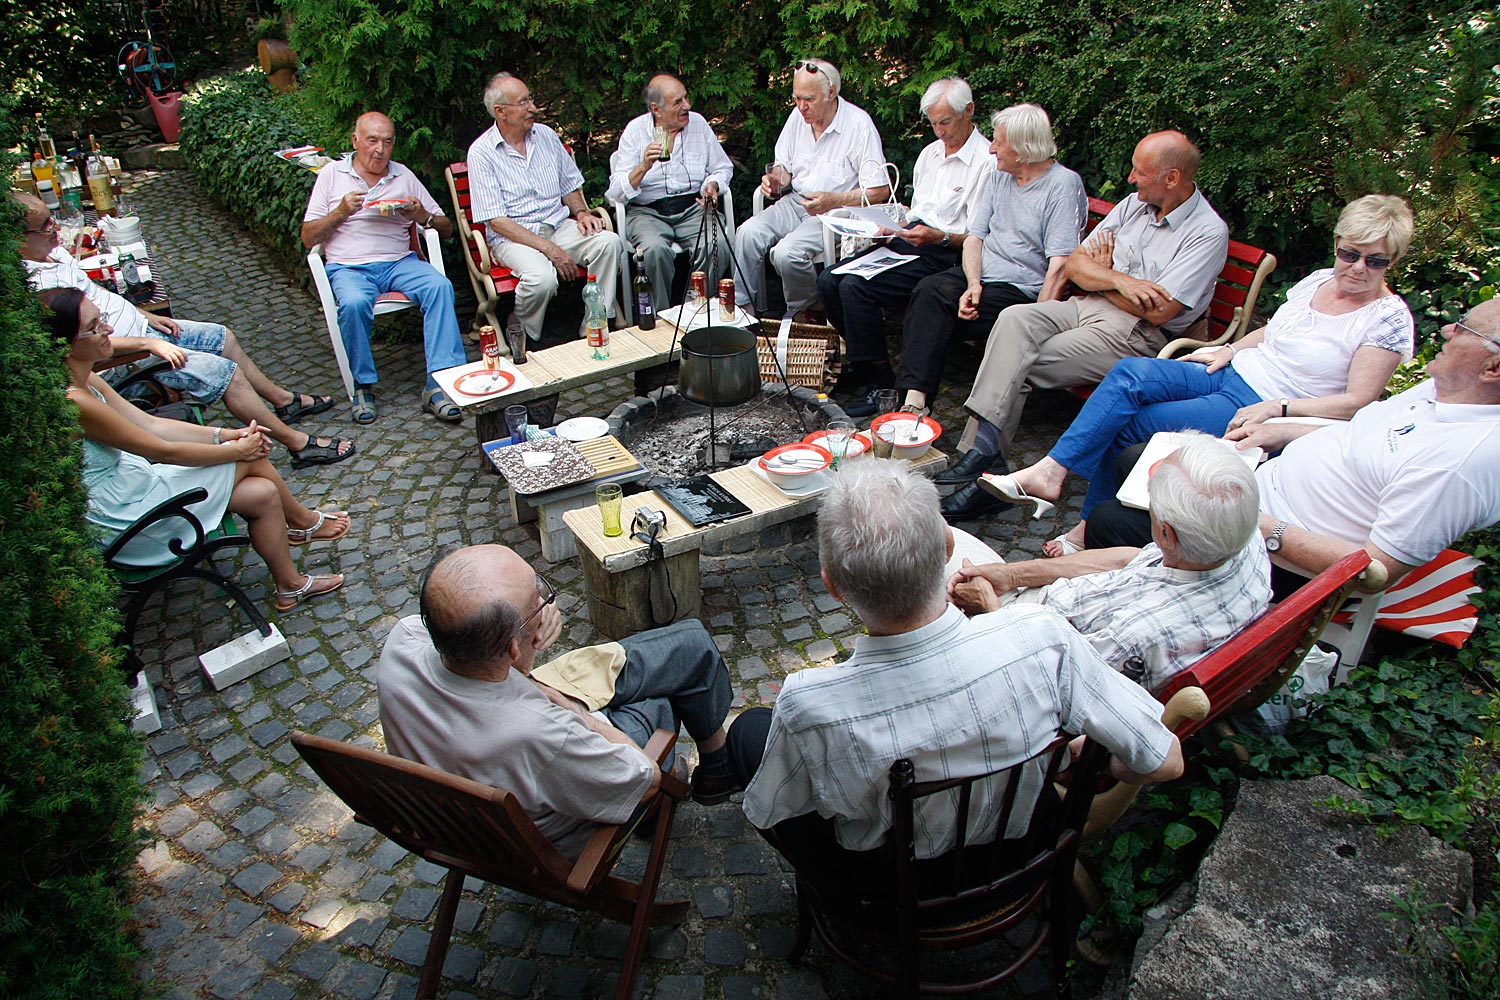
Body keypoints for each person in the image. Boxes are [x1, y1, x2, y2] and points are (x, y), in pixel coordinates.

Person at [724, 460, 1183, 872]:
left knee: (749, 732)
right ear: (948, 547)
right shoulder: (1046, 640)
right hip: (1024, 854)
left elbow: (768, 808)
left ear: (833, 586)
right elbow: (1167, 761)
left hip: (889, 886)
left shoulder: (809, 702)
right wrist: (1097, 755)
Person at [998, 195, 1414, 552]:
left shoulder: (1386, 319)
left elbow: (1357, 402)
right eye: (1349, 254)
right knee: (1130, 375)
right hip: (1229, 369)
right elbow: (1276, 330)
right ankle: (1051, 471)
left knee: (1139, 423)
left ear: (1392, 262)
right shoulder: (1319, 280)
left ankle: (1088, 529)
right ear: (1337, 244)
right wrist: (1230, 348)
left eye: (1375, 260)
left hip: (1259, 405)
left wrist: (1280, 407)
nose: (1358, 267)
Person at [1084, 299, 1500, 597]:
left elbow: (1374, 571)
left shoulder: (1461, 461)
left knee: (1110, 520)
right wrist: (1281, 432)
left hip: (1272, 558)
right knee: (1137, 459)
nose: (1448, 330)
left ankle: (1129, 597)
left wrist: (1262, 527)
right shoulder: (1438, 392)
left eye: (1464, 328)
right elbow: (1353, 437)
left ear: (1492, 368)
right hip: (1257, 489)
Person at [376, 544, 738, 857]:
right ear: (512, 646)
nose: (545, 603)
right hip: (571, 816)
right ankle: (699, 783)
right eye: (537, 601)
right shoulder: (542, 732)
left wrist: (531, 623)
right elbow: (645, 780)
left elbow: (482, 635)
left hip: (483, 794)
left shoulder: (403, 641)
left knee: (689, 644)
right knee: (663, 694)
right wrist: (575, 711)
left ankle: (718, 765)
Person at [940, 130, 1229, 520]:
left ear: (1171, 177)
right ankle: (985, 453)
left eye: (1139, 171)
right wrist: (1120, 281)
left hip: (1135, 334)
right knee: (1013, 319)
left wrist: (1101, 276)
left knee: (1015, 361)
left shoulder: (1207, 232)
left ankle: (985, 465)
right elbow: (1075, 264)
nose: (1130, 178)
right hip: (1084, 306)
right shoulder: (1133, 206)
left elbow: (1160, 311)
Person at [42, 288, 347, 609]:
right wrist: (238, 451)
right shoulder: (74, 400)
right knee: (249, 460)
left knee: (262, 493)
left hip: (135, 488)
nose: (108, 329)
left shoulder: (87, 378)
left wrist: (226, 435)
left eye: (102, 318)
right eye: (94, 327)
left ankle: (290, 586)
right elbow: (162, 450)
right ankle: (302, 521)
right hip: (124, 518)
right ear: (65, 345)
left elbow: (152, 425)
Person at [18, 192, 355, 470]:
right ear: (21, 238)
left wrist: (144, 315)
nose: (55, 227)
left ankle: (283, 401)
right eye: (45, 225)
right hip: (127, 352)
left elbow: (100, 299)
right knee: (226, 373)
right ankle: (297, 444)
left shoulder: (56, 254)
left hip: (142, 329)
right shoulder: (35, 286)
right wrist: (147, 342)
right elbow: (82, 340)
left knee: (222, 336)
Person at [947, 435, 1271, 692]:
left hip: (1023, 641)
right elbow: (1132, 559)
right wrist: (1012, 574)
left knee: (939, 557)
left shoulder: (1135, 638)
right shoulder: (1243, 539)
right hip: (1051, 609)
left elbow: (1046, 682)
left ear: (1167, 534)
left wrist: (990, 609)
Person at [875, 102, 1090, 420]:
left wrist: (1036, 320)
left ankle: (917, 408)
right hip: (982, 280)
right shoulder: (999, 177)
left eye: (999, 142)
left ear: (1023, 149)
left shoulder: (1063, 185)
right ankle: (915, 402)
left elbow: (1059, 265)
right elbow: (974, 238)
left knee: (934, 311)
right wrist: (973, 284)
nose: (991, 149)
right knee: (929, 290)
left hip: (1020, 290)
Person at [816, 77, 994, 415]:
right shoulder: (929, 154)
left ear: (969, 111)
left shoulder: (985, 161)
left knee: (855, 287)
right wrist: (890, 226)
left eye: (946, 122)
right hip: (911, 239)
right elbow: (917, 211)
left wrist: (935, 236)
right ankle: (863, 364)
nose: (940, 131)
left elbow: (976, 234)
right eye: (933, 123)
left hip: (946, 252)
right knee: (829, 279)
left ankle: (881, 381)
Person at [301, 111, 467, 426]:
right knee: (353, 303)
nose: (380, 150)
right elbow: (308, 237)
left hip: (399, 262)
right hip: (349, 268)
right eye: (372, 141)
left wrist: (421, 215)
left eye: (387, 142)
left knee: (439, 287)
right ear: (355, 141)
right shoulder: (332, 175)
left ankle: (439, 383)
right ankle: (363, 386)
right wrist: (341, 211)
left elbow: (445, 227)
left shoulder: (402, 176)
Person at [467, 72, 624, 343]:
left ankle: (595, 323)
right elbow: (497, 221)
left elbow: (570, 186)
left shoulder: (547, 136)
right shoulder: (481, 153)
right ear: (500, 111)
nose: (533, 108)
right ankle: (522, 330)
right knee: (541, 279)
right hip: (514, 238)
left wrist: (582, 213)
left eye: (530, 99)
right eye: (523, 102)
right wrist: (550, 250)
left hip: (558, 225)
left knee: (608, 243)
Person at [732, 58, 890, 320]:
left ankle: (807, 311)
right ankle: (743, 310)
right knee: (747, 233)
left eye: (809, 99)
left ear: (831, 92)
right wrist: (775, 179)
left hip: (836, 212)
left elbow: (879, 191)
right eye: (796, 98)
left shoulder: (858, 125)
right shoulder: (798, 117)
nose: (801, 107)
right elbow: (784, 167)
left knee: (786, 254)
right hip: (797, 201)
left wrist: (833, 200)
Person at [606, 73, 735, 310]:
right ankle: (660, 317)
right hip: (647, 211)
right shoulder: (635, 132)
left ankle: (697, 310)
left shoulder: (698, 124)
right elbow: (616, 193)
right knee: (654, 251)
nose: (687, 106)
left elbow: (722, 167)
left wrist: (713, 185)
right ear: (656, 109)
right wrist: (644, 166)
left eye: (686, 98)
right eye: (678, 102)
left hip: (692, 207)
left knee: (716, 243)